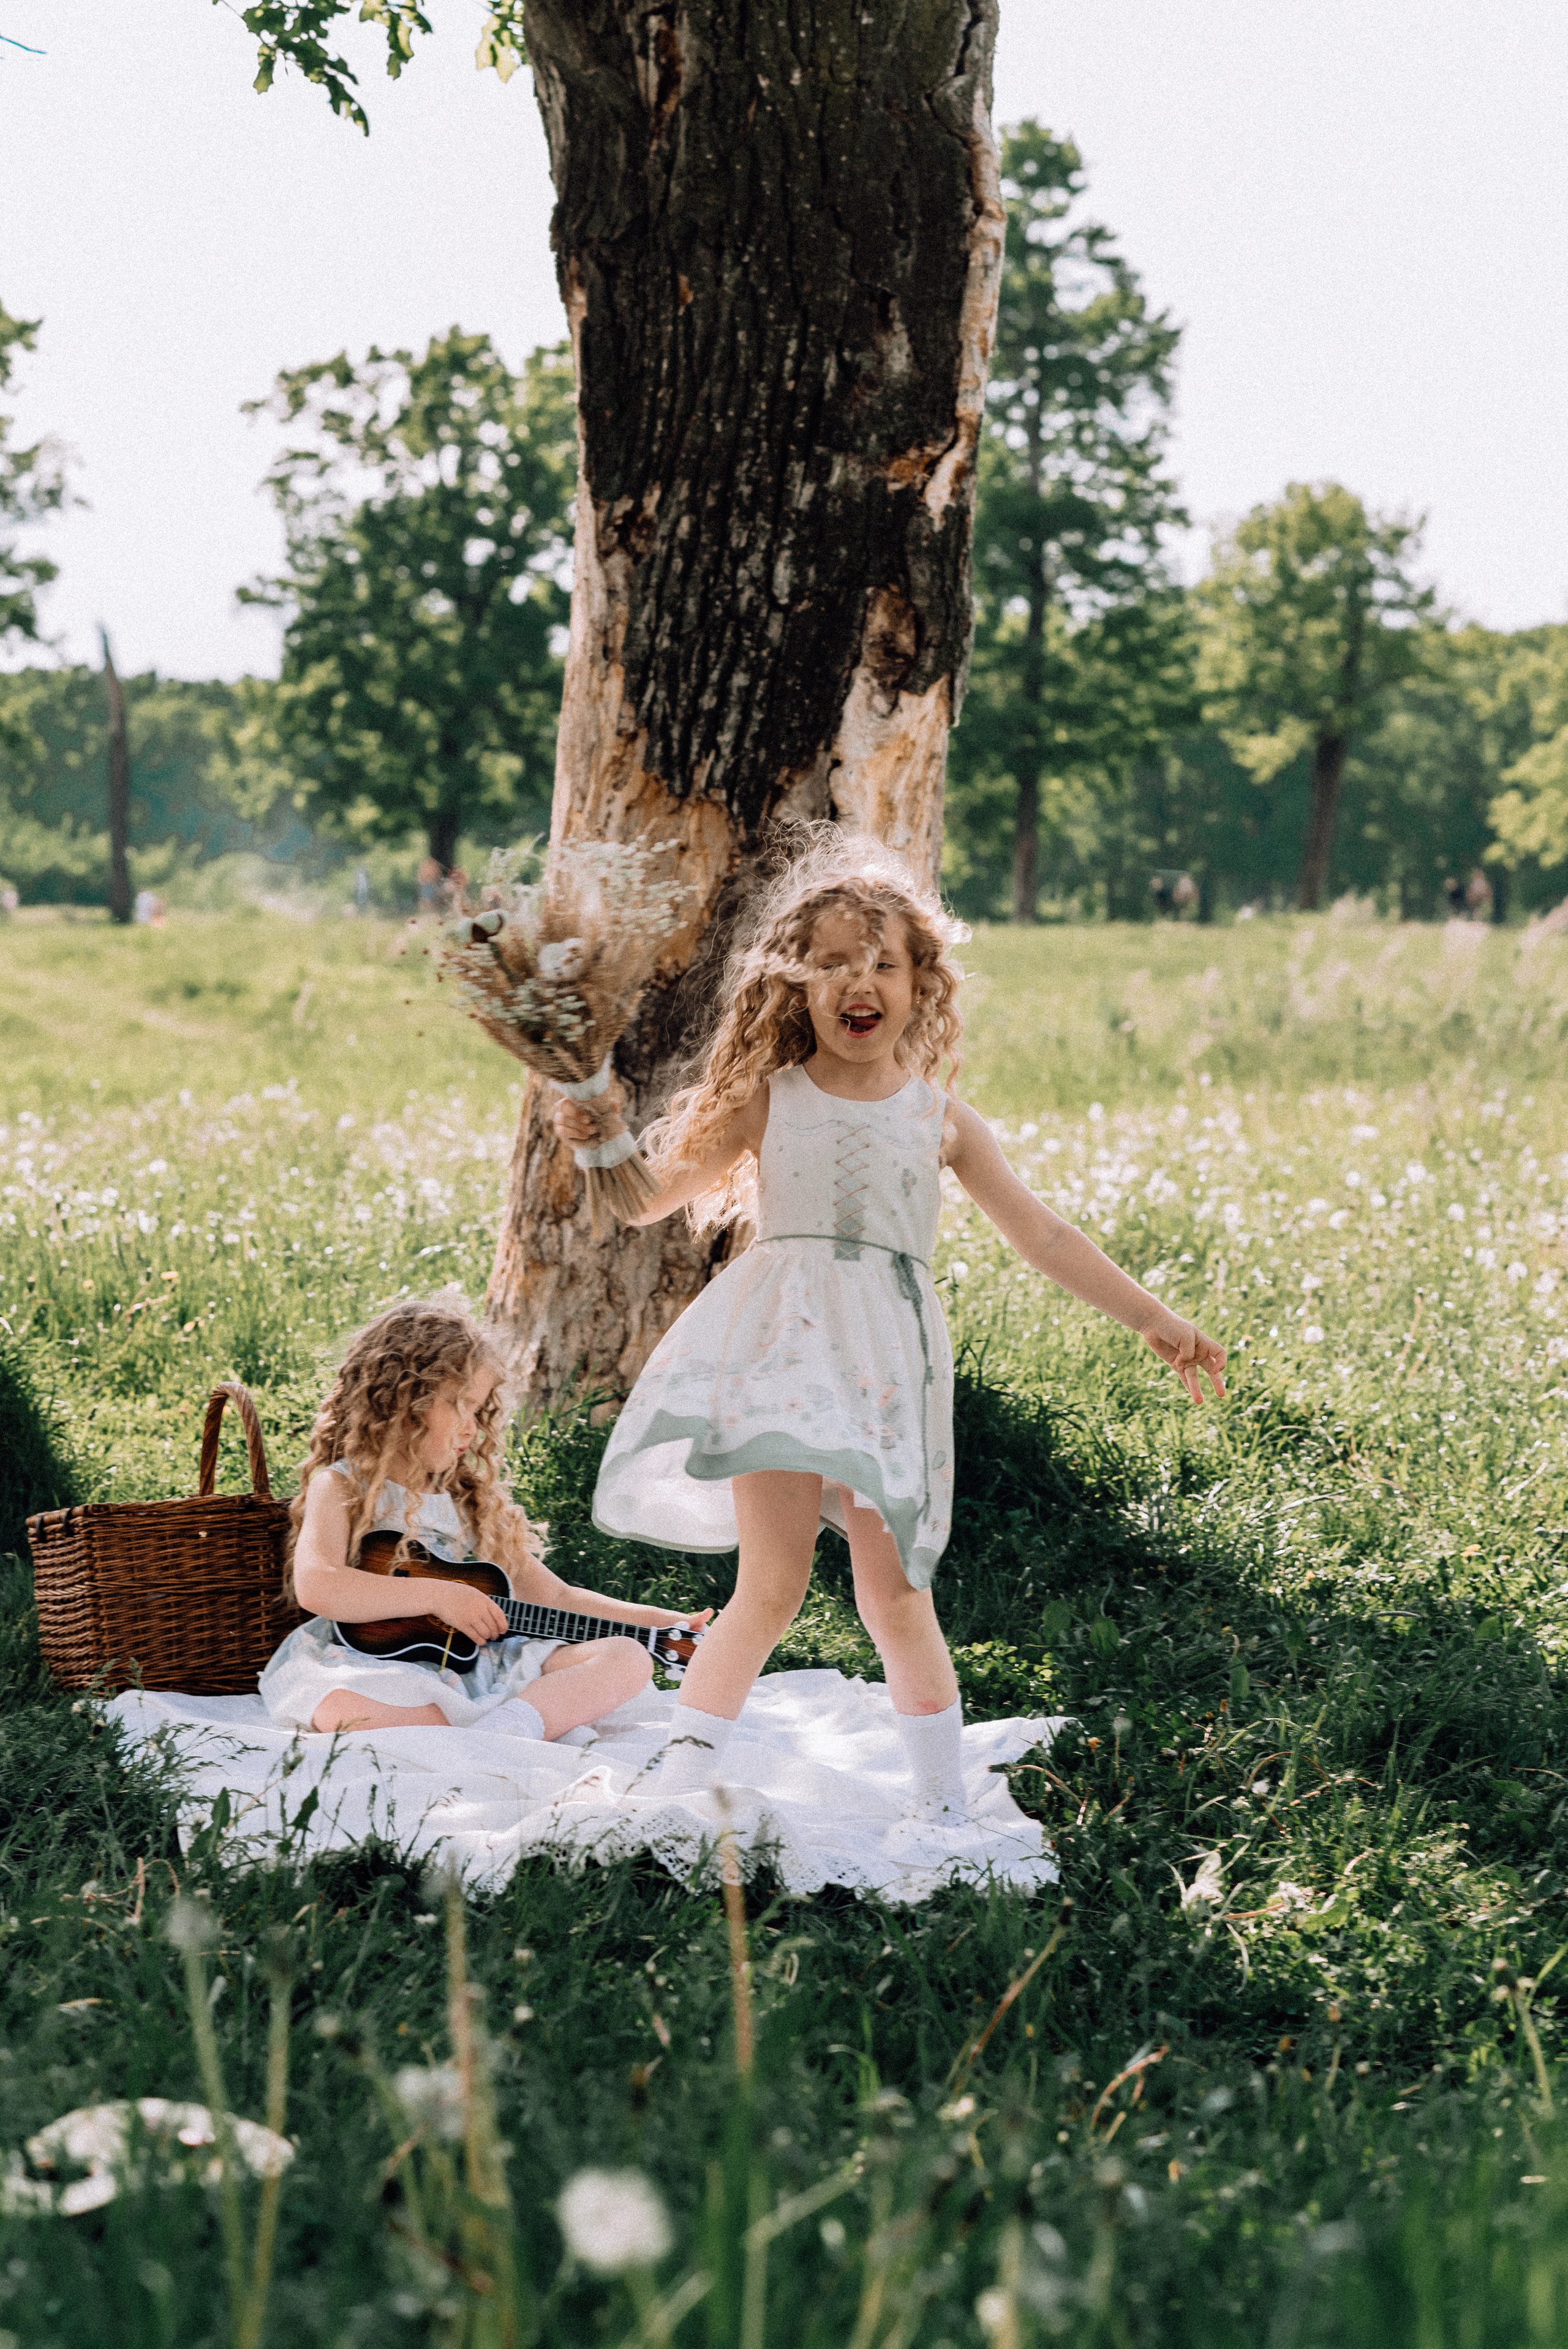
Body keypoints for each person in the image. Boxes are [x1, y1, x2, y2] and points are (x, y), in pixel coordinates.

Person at [552, 831, 1226, 1831]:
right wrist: (598, 1130)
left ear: (920, 985)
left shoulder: (942, 1120)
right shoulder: (763, 1100)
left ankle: (942, 1799)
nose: (858, 980)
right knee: (769, 1588)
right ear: (797, 983)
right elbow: (647, 1200)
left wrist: (1154, 1316)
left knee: (895, 1595)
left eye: (883, 962)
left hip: (880, 1374)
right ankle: (679, 1778)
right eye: (832, 961)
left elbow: (1041, 1231)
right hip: (777, 1359)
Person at [259, 1296, 709, 1740]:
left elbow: (557, 1596)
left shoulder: (465, 1499)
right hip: (375, 1666)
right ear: (404, 1402)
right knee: (337, 1704)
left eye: (479, 1411)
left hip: (483, 1666)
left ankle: (511, 1726)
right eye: (461, 1405)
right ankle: (498, 1726)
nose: (473, 1428)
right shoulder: (342, 1486)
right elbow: (318, 1585)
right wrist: (437, 1596)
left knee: (628, 1658)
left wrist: (659, 1621)